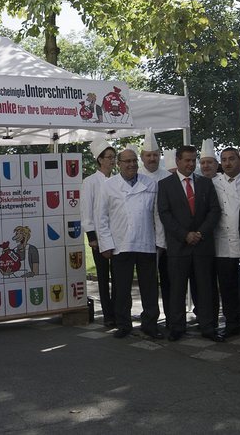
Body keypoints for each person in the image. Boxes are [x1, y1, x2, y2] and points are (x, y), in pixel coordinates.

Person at [95, 147, 165, 340]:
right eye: (127, 161)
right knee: (122, 289)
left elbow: (157, 215)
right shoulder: (109, 186)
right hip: (120, 244)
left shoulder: (150, 184)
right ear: (119, 164)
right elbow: (101, 217)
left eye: (134, 161)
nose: (132, 164)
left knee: (150, 288)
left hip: (146, 243)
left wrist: (159, 241)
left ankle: (150, 324)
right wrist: (106, 244)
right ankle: (123, 324)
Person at [156, 146, 223, 342]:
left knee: (204, 288)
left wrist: (200, 233)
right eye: (187, 160)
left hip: (202, 245)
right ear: (177, 161)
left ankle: (208, 327)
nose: (191, 164)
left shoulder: (205, 183)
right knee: (177, 289)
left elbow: (214, 211)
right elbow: (165, 214)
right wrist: (185, 235)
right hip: (178, 246)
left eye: (193, 160)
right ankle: (177, 327)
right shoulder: (165, 185)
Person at [213, 147, 240, 337]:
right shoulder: (213, 183)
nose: (227, 163)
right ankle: (232, 323)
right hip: (222, 241)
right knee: (228, 287)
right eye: (224, 159)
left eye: (231, 159)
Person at [140, 129, 174, 325]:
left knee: (169, 280)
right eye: (148, 155)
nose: (152, 158)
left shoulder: (168, 178)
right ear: (142, 157)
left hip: (168, 238)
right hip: (144, 239)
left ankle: (172, 318)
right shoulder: (135, 177)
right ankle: (150, 318)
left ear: (159, 155)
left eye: (155, 155)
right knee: (148, 282)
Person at [82, 140, 117, 328]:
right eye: (109, 157)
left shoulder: (118, 180)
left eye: (114, 157)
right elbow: (86, 211)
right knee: (103, 277)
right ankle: (108, 315)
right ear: (100, 160)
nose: (113, 161)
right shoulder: (90, 182)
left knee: (118, 276)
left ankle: (119, 311)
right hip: (99, 236)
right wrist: (92, 238)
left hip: (118, 235)